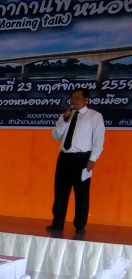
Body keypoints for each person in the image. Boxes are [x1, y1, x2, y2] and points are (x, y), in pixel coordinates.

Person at [48, 88, 105, 236]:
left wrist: (93, 159)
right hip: (64, 157)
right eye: (72, 98)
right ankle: (57, 223)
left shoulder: (94, 116)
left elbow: (98, 139)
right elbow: (55, 136)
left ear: (86, 100)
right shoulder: (66, 115)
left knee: (81, 194)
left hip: (82, 159)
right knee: (60, 192)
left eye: (78, 98)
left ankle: (79, 225)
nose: (74, 101)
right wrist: (64, 120)